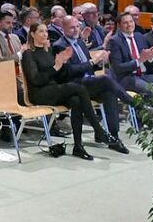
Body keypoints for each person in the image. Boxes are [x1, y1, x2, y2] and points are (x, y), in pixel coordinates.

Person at [22, 24, 111, 160]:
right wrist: (56, 67)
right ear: (32, 34)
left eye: (46, 31)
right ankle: (98, 130)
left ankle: (78, 147)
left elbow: (59, 76)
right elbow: (35, 80)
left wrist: (63, 63)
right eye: (41, 31)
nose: (45, 34)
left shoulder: (49, 51)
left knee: (76, 100)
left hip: (54, 90)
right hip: (39, 94)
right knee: (78, 88)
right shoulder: (28, 54)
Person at [53, 17, 131, 153]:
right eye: (72, 27)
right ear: (64, 29)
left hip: (88, 82)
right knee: (106, 79)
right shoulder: (59, 46)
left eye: (77, 26)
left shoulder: (80, 43)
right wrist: (93, 63)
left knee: (109, 93)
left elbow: (90, 68)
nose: (76, 29)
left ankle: (114, 136)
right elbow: (68, 71)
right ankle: (131, 102)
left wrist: (99, 63)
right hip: (73, 85)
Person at [108, 12, 153, 96]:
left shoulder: (139, 36)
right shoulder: (115, 41)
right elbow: (117, 67)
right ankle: (147, 108)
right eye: (125, 23)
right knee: (151, 89)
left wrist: (151, 55)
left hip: (142, 75)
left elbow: (145, 59)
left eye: (131, 21)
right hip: (126, 78)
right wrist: (139, 61)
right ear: (119, 25)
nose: (129, 25)